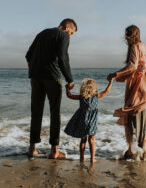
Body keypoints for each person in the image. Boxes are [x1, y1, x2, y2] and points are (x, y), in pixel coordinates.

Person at [25, 18, 77, 159]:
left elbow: (28, 55)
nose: (70, 36)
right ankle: (54, 151)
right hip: (52, 77)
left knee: (36, 112)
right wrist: (69, 79)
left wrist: (32, 75)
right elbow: (62, 57)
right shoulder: (63, 35)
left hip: (35, 77)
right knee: (55, 113)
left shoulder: (42, 33)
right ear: (66, 27)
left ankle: (32, 149)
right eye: (71, 32)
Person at [107, 25, 146, 160]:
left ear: (128, 36)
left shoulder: (134, 47)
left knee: (128, 117)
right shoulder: (145, 47)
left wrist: (116, 74)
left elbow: (132, 67)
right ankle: (143, 151)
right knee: (142, 120)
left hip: (137, 88)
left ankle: (131, 149)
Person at [64, 78, 113, 163]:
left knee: (83, 140)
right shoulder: (96, 96)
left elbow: (70, 96)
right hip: (92, 122)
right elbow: (106, 91)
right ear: (94, 88)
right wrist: (111, 82)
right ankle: (92, 158)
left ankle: (82, 158)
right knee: (91, 140)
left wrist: (67, 88)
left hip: (82, 121)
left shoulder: (81, 97)